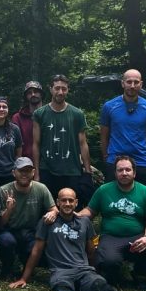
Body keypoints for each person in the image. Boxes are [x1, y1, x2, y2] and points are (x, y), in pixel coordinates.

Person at [10, 188, 146, 291]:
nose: (67, 203)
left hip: (84, 271)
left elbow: (91, 251)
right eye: (63, 200)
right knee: (62, 289)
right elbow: (36, 251)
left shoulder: (84, 222)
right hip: (60, 271)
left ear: (76, 202)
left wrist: (95, 272)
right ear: (57, 202)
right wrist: (24, 278)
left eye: (71, 200)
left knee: (101, 288)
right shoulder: (48, 222)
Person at [81, 155, 146, 289]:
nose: (124, 173)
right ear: (115, 173)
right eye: (120, 170)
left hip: (138, 237)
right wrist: (74, 215)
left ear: (134, 173)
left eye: (128, 170)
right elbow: (90, 211)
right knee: (109, 261)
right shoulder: (104, 190)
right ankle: (115, 276)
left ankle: (140, 274)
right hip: (111, 237)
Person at [33, 74, 94, 206]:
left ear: (68, 90)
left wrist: (88, 171)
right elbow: (36, 144)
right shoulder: (39, 114)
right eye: (57, 88)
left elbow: (83, 143)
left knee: (70, 207)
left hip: (71, 169)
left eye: (64, 89)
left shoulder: (77, 114)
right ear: (51, 89)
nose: (60, 92)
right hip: (47, 169)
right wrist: (36, 173)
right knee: (48, 208)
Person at [0, 157, 55, 278]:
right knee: (6, 241)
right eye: (21, 171)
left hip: (31, 231)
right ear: (14, 173)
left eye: (27, 171)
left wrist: (52, 213)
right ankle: (7, 269)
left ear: (33, 172)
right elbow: (0, 224)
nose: (24, 174)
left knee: (37, 246)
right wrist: (9, 210)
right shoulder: (3, 190)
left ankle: (27, 268)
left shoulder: (41, 188)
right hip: (10, 230)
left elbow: (54, 209)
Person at [99, 69, 146, 183]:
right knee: (113, 194)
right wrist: (106, 156)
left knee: (140, 194)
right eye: (129, 82)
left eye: (136, 82)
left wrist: (140, 149)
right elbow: (103, 136)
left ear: (141, 84)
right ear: (123, 83)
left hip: (140, 161)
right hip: (115, 161)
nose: (132, 86)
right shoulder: (109, 106)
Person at [12, 81, 43, 164]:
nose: (33, 94)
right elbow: (15, 145)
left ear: (41, 94)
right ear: (26, 96)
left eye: (36, 92)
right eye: (29, 93)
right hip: (25, 164)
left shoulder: (49, 115)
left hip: (47, 163)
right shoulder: (17, 118)